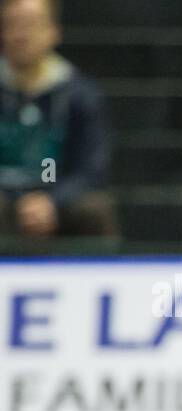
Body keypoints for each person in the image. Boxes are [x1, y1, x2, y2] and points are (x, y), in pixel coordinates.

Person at [0, 0, 114, 242]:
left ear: (53, 32)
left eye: (30, 25)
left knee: (93, 208)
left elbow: (92, 168)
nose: (21, 36)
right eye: (12, 25)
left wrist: (52, 200)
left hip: (60, 200)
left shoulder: (81, 94)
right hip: (5, 200)